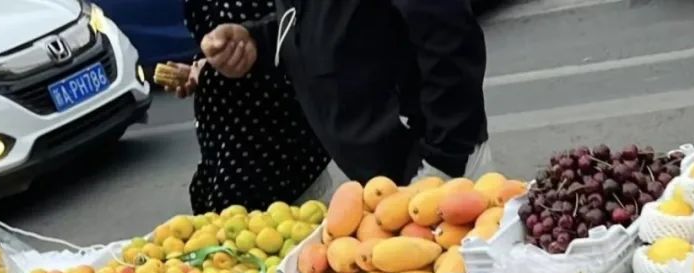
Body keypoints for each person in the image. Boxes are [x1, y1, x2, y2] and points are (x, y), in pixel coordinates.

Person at [199, 0, 491, 185]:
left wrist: (442, 161)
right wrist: (256, 42)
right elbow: (322, 21)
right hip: (383, 180)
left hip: (435, 168)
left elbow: (449, 35)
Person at [168, 0, 330, 214]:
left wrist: (255, 40)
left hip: (274, 144)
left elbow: (312, 22)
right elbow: (217, 34)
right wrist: (201, 67)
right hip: (223, 146)